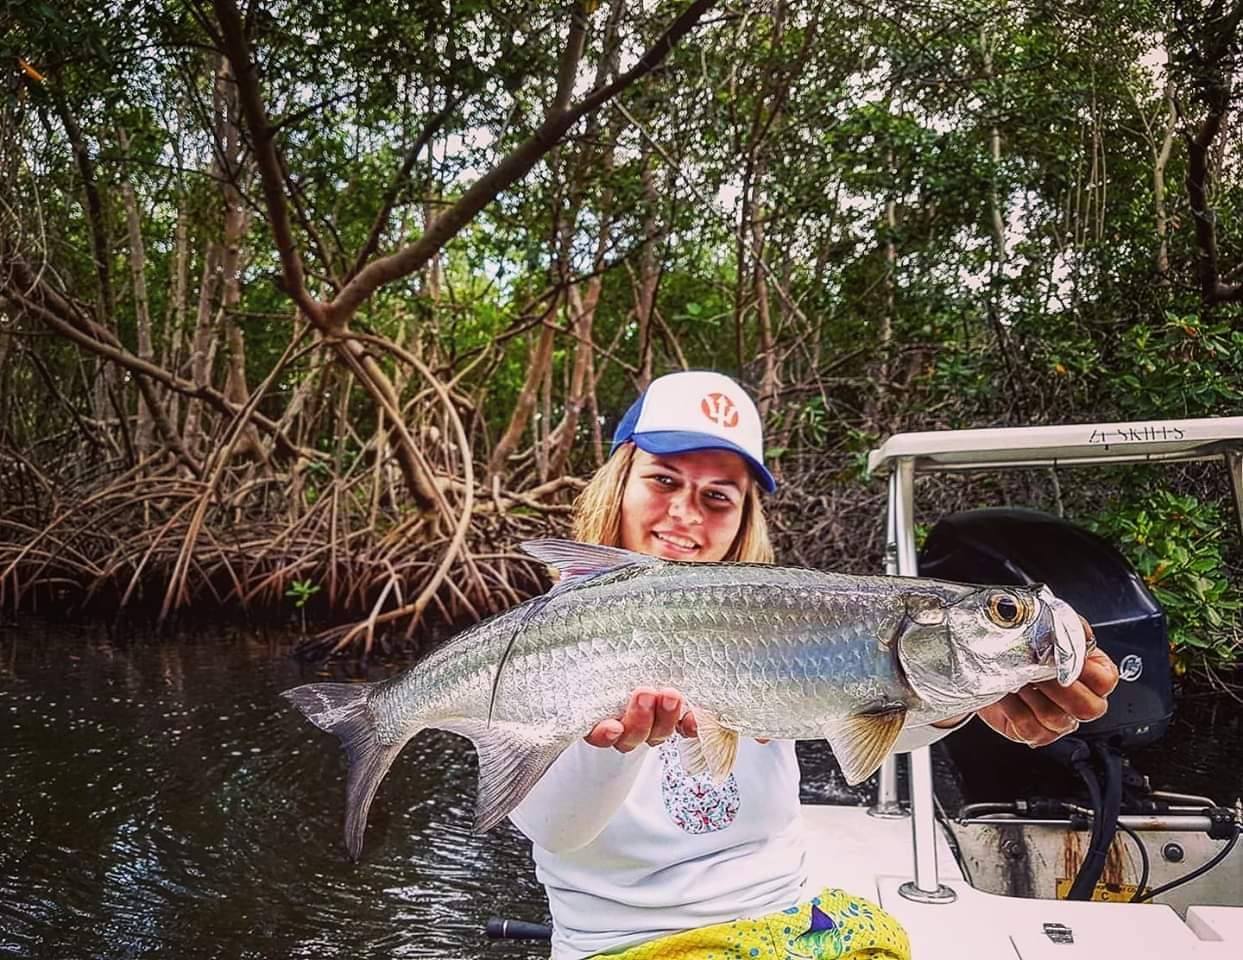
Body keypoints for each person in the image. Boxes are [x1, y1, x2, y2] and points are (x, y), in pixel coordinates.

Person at [509, 370, 1119, 960]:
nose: (687, 514)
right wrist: (612, 745)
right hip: (619, 946)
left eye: (718, 496)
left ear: (744, 515)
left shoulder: (781, 614)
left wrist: (969, 699)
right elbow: (555, 829)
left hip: (791, 927)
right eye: (664, 481)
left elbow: (870, 708)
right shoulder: (534, 642)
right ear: (617, 482)